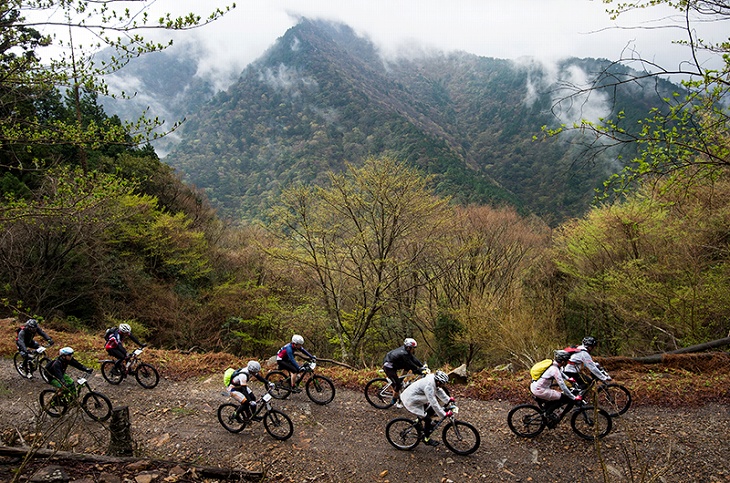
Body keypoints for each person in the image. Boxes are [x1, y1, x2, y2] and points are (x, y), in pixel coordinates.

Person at [400, 370, 453, 447]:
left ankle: (420, 422)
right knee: (428, 419)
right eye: (443, 383)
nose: (444, 385)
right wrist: (444, 414)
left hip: (415, 396)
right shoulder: (429, 386)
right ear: (438, 382)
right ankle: (426, 438)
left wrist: (448, 399)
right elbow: (434, 403)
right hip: (411, 400)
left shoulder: (434, 380)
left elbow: (439, 390)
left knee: (430, 410)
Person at [530, 349, 582, 425]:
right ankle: (547, 413)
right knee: (563, 398)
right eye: (566, 361)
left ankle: (547, 409)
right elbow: (562, 385)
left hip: (535, 386)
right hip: (540, 390)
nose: (567, 362)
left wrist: (568, 379)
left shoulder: (553, 364)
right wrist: (573, 397)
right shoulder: (554, 369)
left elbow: (561, 372)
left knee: (558, 397)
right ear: (563, 361)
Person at [382, 338, 426, 405]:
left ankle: (400, 380)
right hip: (389, 367)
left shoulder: (406, 351)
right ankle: (394, 401)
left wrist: (422, 365)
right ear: (409, 347)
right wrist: (419, 371)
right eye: (413, 348)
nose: (414, 349)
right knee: (398, 385)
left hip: (394, 363)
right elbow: (411, 364)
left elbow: (413, 359)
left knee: (407, 368)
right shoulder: (404, 354)